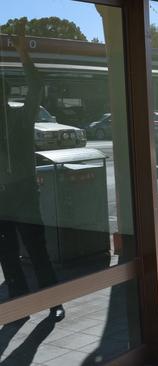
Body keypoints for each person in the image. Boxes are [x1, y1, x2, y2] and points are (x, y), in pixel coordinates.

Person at [0, 26, 65, 323]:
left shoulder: (19, 118)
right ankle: (20, 305)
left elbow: (36, 88)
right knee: (8, 257)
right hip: (3, 197)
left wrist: (24, 54)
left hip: (24, 192)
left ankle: (53, 301)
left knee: (37, 250)